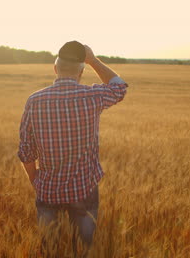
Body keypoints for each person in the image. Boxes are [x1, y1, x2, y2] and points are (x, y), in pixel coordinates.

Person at [17, 41, 128, 253]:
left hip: (48, 191)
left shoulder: (35, 101)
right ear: (82, 72)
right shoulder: (91, 97)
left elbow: (26, 152)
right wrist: (93, 60)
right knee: (83, 249)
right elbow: (120, 87)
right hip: (84, 191)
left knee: (50, 249)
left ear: (55, 69)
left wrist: (36, 183)